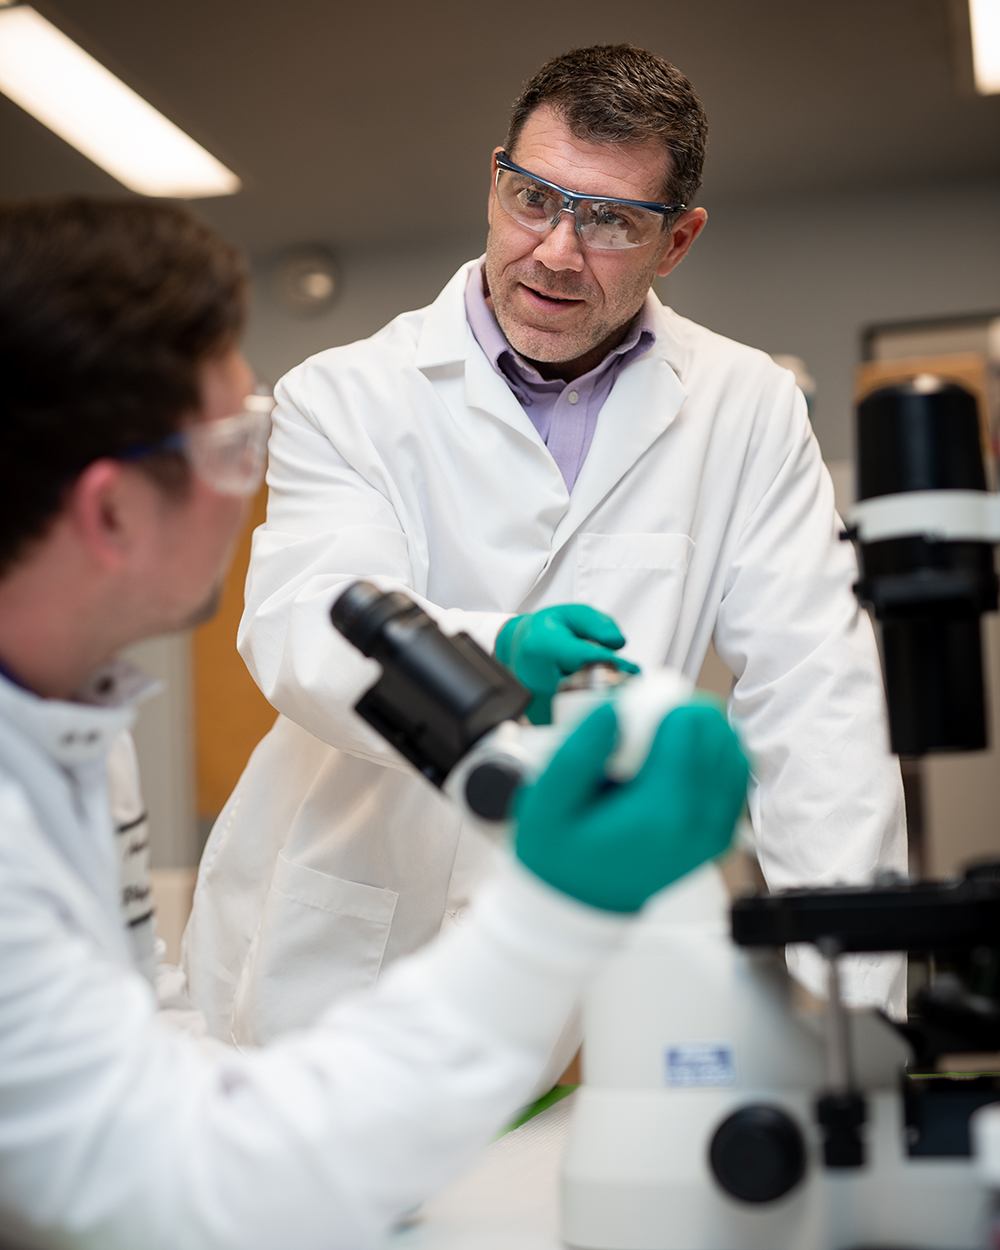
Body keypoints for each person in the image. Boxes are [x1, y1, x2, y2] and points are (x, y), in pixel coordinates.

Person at [0, 196, 748, 1249]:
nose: (250, 479)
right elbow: (166, 1178)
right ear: (112, 511)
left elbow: (142, 1041)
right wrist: (551, 914)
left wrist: (349, 1143)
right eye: (232, 442)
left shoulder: (80, 719)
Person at [184, 43, 907, 1047]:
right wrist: (491, 656)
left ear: (678, 238)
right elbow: (304, 628)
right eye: (534, 199)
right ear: (496, 181)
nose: (558, 251)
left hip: (587, 965)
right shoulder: (345, 393)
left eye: (609, 218)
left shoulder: (747, 408)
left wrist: (850, 1011)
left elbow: (815, 705)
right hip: (345, 943)